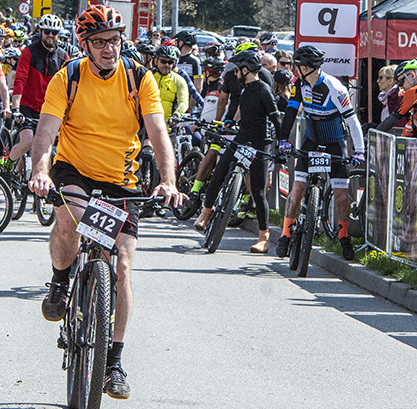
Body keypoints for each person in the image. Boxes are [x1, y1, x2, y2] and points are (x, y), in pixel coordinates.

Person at [28, 5, 183, 399]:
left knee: (124, 266)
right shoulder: (69, 77)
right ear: (85, 45)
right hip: (74, 171)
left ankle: (113, 361)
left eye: (113, 41)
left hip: (122, 179)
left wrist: (168, 180)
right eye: (99, 43)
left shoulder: (139, 78)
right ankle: (61, 282)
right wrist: (41, 171)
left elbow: (159, 134)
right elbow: (45, 133)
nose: (108, 49)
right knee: (68, 220)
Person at [276, 45, 365, 261]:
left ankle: (343, 236)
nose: (296, 71)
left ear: (308, 67)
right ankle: (286, 234)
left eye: (299, 67)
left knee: (342, 196)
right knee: (297, 191)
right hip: (311, 141)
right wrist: (282, 140)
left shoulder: (334, 87)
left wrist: (360, 151)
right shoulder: (300, 84)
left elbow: (352, 120)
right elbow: (289, 112)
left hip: (334, 142)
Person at [193, 50, 281, 253]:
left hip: (261, 141)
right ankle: (206, 214)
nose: (233, 74)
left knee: (258, 193)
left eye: (236, 70)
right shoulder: (245, 88)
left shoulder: (263, 90)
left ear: (246, 69)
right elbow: (242, 108)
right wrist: (229, 121)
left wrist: (282, 145)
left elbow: (276, 119)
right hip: (242, 137)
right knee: (218, 175)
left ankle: (263, 237)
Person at [10, 14, 68, 169]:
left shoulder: (63, 56)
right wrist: (15, 108)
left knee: (47, 147)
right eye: (47, 31)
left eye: (54, 32)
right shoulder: (29, 52)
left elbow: (68, 87)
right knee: (27, 141)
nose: (50, 35)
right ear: (41, 31)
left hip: (49, 109)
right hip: (27, 106)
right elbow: (20, 79)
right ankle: (8, 165)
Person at [151, 45, 189, 122]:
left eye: (170, 62)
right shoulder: (148, 76)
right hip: (146, 125)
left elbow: (183, 102)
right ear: (156, 61)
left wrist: (176, 115)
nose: (167, 65)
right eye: (163, 61)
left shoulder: (179, 80)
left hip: (168, 126)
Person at [174, 30, 203, 95]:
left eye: (176, 43)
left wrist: (190, 104)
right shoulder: (174, 59)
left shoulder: (195, 61)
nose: (175, 45)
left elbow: (198, 87)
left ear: (180, 43)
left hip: (187, 100)